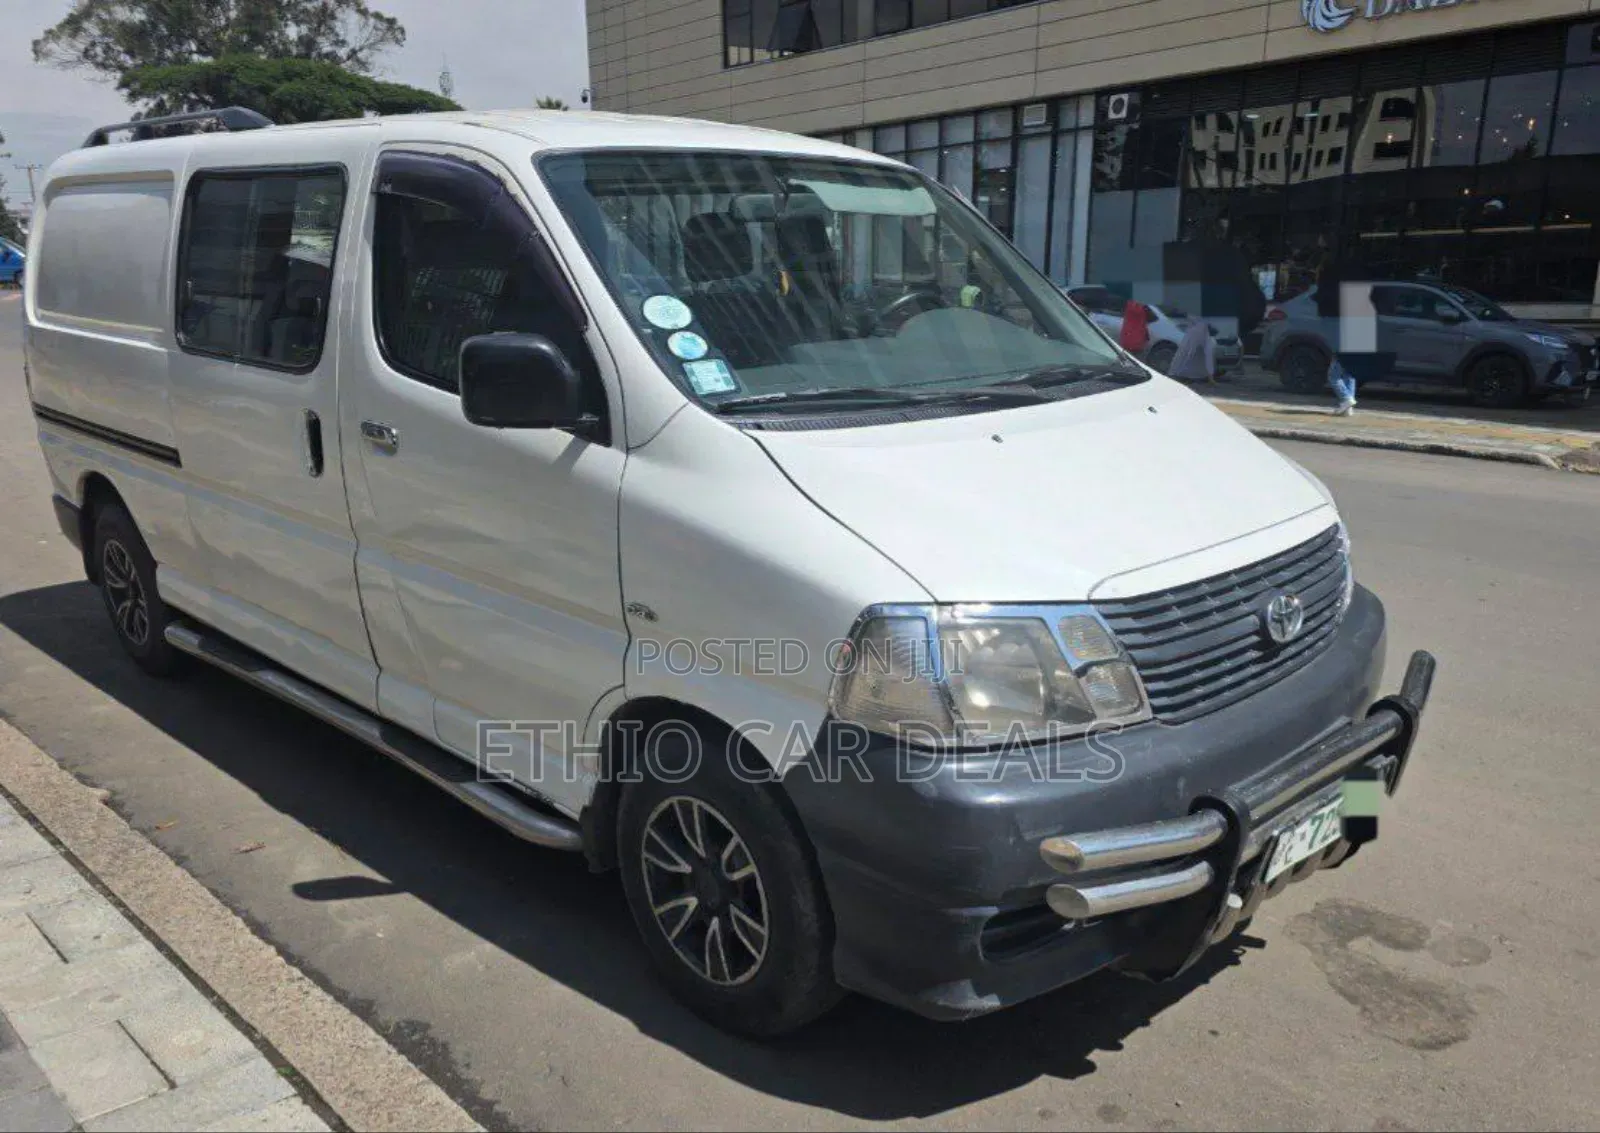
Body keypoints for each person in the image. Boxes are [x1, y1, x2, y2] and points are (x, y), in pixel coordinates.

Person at [1168, 318, 1216, 384]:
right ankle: (1178, 373)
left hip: (1199, 332)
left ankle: (1177, 373)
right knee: (1189, 354)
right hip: (1196, 333)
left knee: (1191, 355)